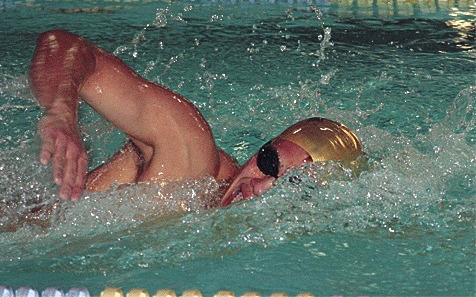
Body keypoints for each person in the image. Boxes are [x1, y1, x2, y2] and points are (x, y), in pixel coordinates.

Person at [29, 30, 364, 206]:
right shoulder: (189, 153)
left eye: (294, 184)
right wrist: (60, 114)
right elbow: (65, 45)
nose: (258, 187)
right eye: (267, 160)